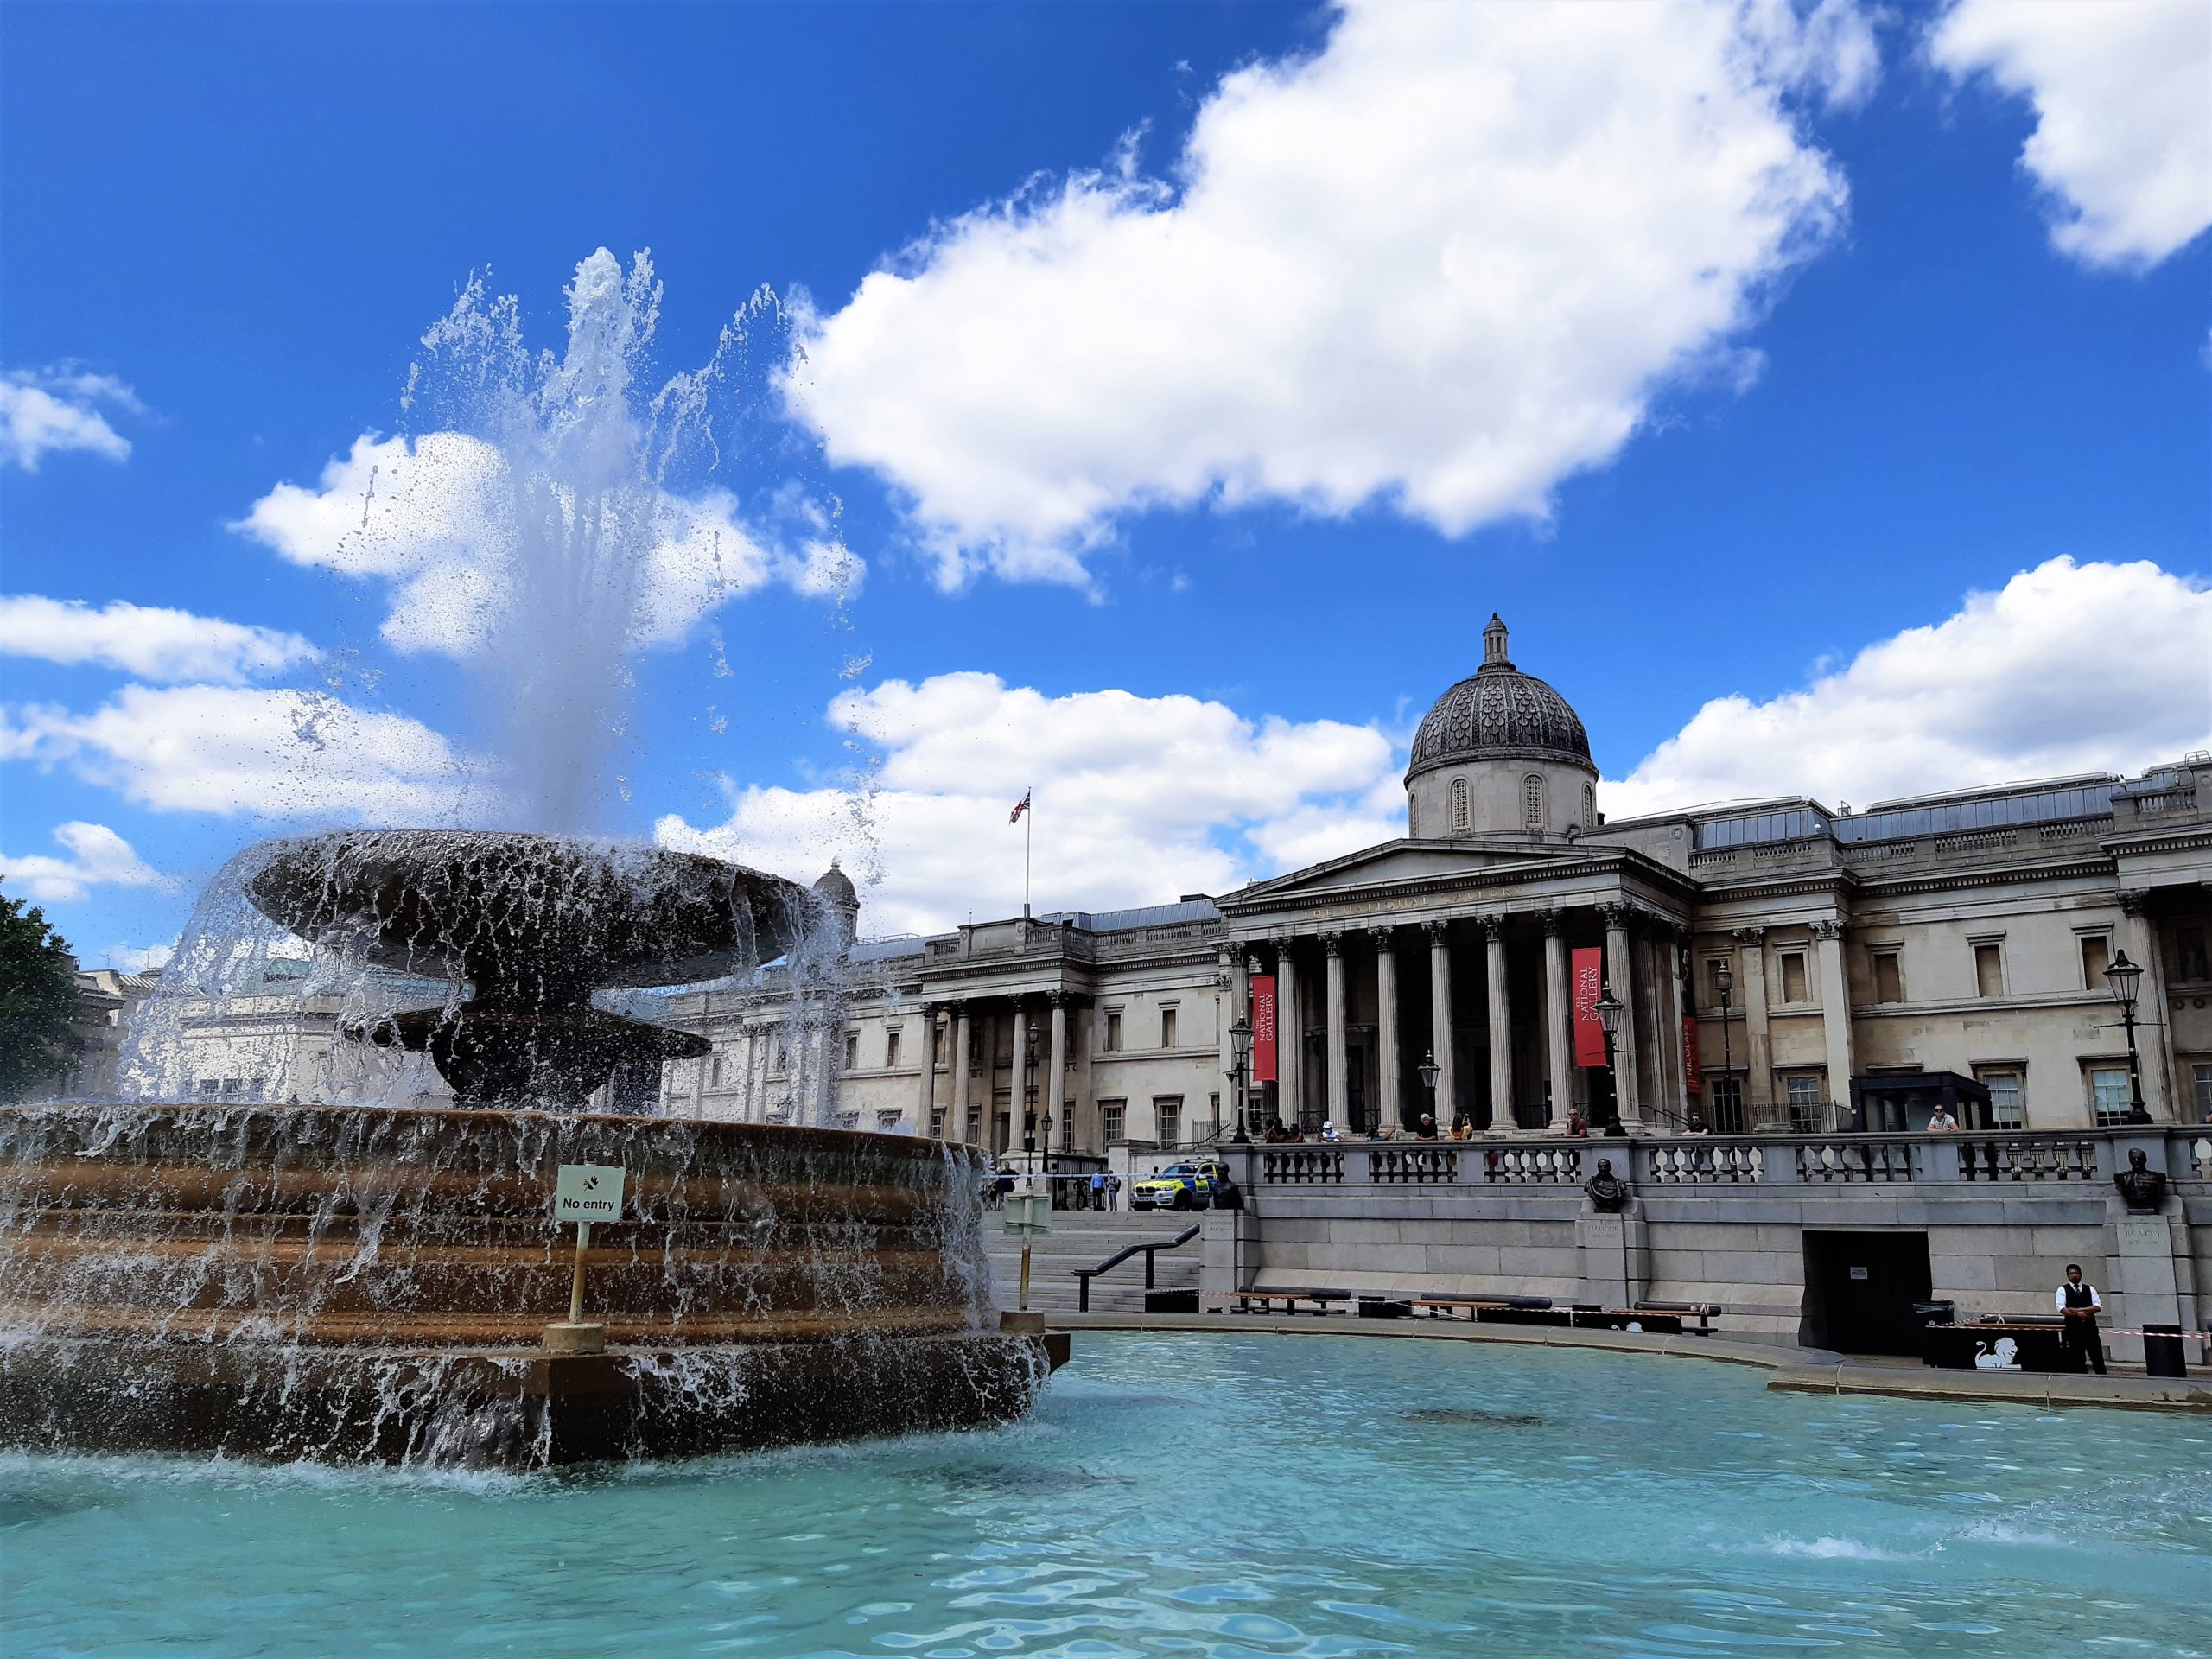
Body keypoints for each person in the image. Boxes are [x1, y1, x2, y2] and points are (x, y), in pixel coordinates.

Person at [2056, 1264, 2107, 1376]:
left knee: (2097, 1357)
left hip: (2090, 1329)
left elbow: (2097, 1307)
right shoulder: (2062, 1290)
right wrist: (2076, 1314)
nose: (2074, 1275)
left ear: (2080, 1274)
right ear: (2067, 1275)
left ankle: (2103, 1379)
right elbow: (2062, 1309)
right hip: (2073, 1330)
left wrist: (2079, 1309)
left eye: (2076, 1273)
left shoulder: (2090, 1289)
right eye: (2071, 1273)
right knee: (2077, 1358)